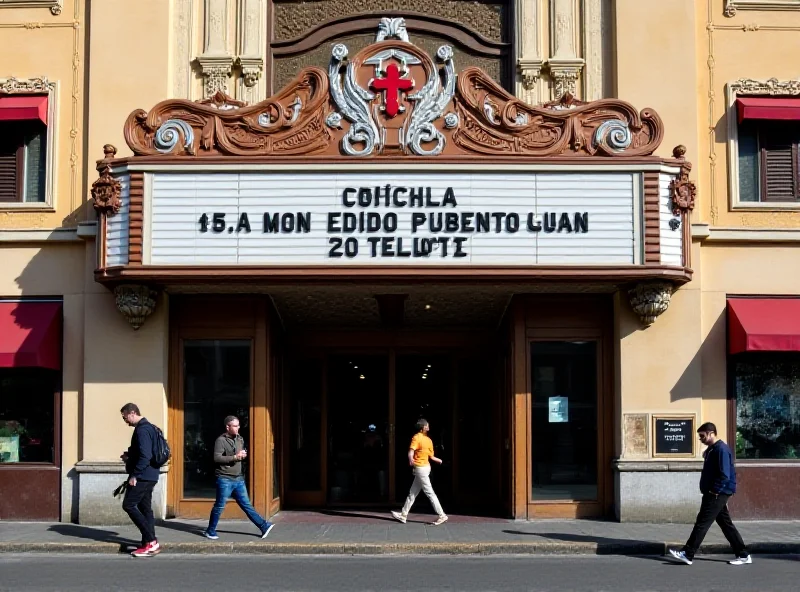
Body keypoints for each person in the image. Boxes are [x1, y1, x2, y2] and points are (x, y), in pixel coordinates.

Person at [668, 422, 751, 566]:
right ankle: (743, 554)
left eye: (702, 436)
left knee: (702, 522)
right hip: (716, 492)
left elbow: (724, 475)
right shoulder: (713, 449)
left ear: (711, 433)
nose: (700, 439)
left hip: (717, 493)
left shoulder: (721, 449)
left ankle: (688, 553)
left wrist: (714, 490)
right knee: (726, 525)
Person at [202, 415, 275, 540]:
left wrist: (242, 455)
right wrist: (235, 457)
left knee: (247, 505)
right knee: (219, 506)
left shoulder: (239, 439)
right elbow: (217, 458)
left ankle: (263, 526)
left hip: (238, 479)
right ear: (228, 427)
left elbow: (239, 454)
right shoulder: (221, 440)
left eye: (238, 425)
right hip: (225, 479)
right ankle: (210, 530)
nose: (238, 428)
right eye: (235, 426)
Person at [120, 403, 161, 558]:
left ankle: (151, 541)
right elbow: (144, 453)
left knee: (129, 504)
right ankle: (147, 543)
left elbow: (146, 456)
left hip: (143, 476)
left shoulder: (142, 430)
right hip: (150, 475)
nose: (125, 421)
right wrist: (129, 456)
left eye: (125, 417)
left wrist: (135, 475)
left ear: (132, 413)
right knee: (145, 508)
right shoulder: (150, 427)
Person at [391, 419, 448, 526]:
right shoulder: (429, 440)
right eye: (427, 426)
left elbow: (411, 451)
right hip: (426, 467)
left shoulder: (416, 438)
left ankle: (442, 515)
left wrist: (410, 459)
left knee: (430, 493)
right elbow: (431, 457)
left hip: (420, 468)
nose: (429, 428)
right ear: (424, 428)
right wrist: (439, 460)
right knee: (412, 493)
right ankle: (403, 515)